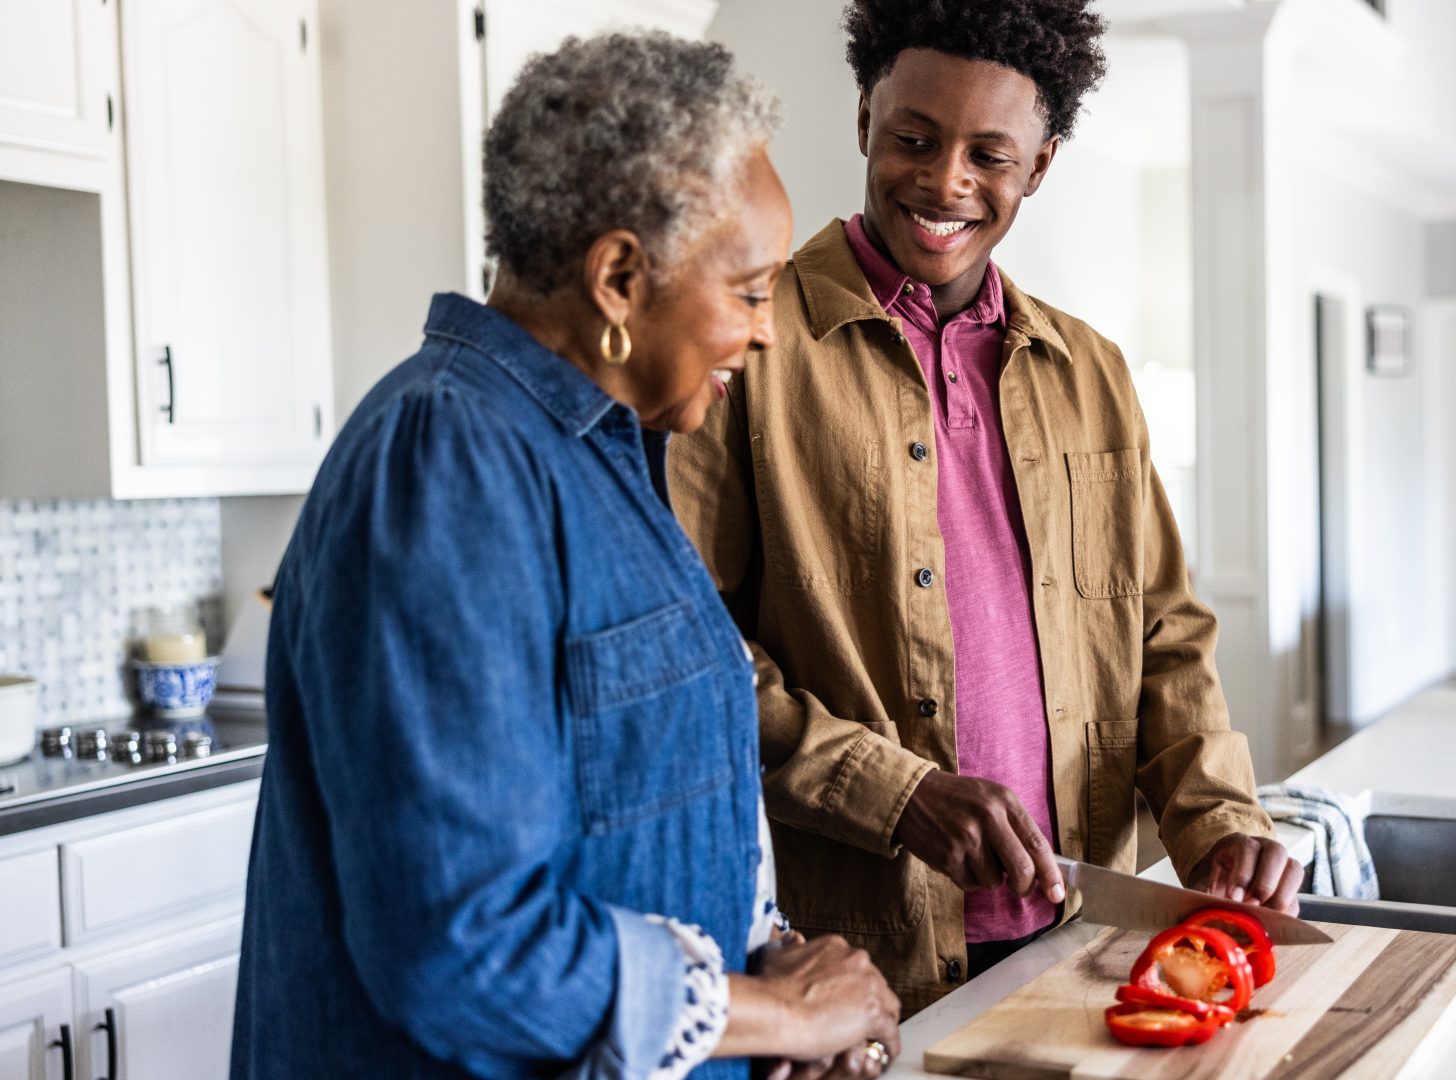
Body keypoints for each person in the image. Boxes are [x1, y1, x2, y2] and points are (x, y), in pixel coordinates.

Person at [232, 32, 899, 1080]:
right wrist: (773, 1014)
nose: (765, 332)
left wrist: (769, 967)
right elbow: (459, 941)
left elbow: (631, 804)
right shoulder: (444, 466)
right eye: (751, 289)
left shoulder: (608, 455)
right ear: (621, 278)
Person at [668, 0, 1305, 1017]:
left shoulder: (1090, 370)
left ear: (1042, 164)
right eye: (914, 138)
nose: (945, 181)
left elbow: (1166, 635)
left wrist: (1220, 817)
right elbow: (692, 663)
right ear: (864, 116)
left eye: (990, 156)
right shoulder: (748, 344)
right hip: (856, 962)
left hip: (1084, 946)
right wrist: (897, 791)